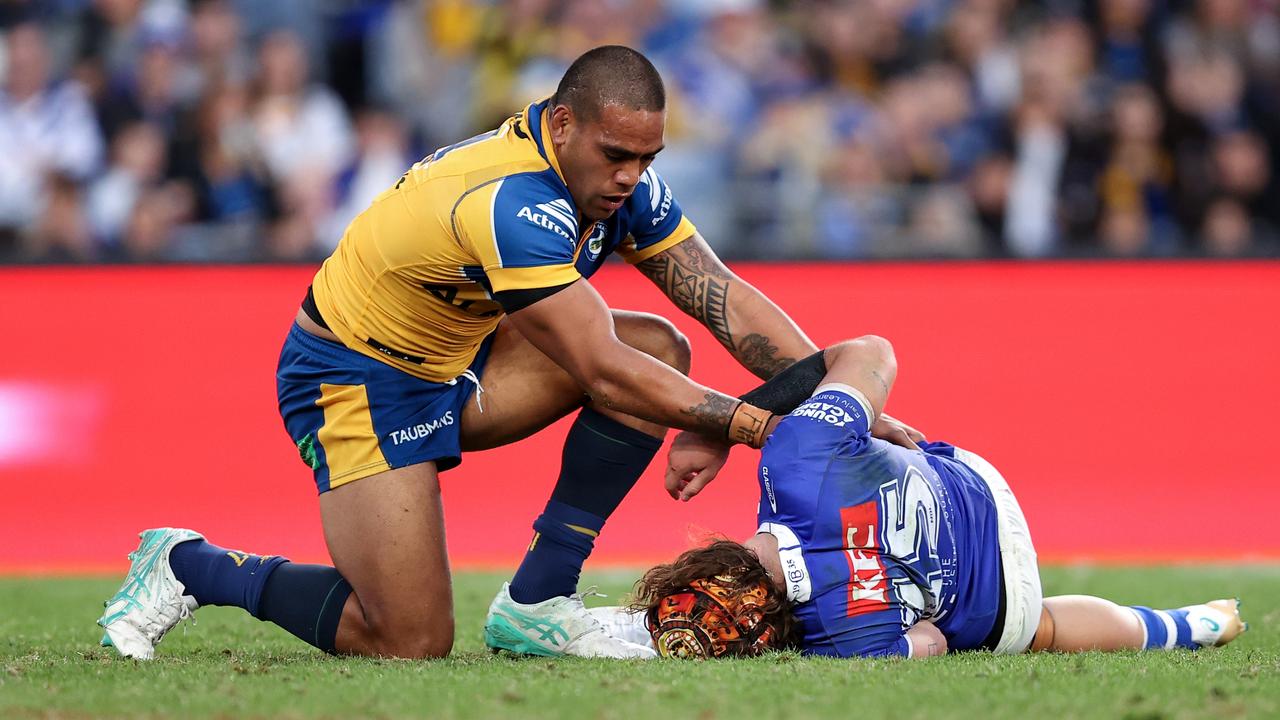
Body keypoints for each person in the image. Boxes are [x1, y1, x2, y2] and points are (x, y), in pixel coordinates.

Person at [96, 45, 923, 661]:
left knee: (657, 342)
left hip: (458, 367)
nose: (633, 177)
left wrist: (834, 404)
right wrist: (753, 426)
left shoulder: (603, 177)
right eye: (617, 155)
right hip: (353, 379)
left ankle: (539, 601)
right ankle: (191, 565)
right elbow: (596, 365)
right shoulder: (511, 200)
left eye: (648, 159)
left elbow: (726, 299)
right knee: (408, 639)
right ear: (562, 125)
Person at [595, 335, 1246, 659]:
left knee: (1040, 629)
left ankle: (1192, 625)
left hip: (990, 594)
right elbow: (870, 349)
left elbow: (928, 642)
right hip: (967, 483)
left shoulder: (844, 637)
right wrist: (724, 429)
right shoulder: (796, 460)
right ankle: (1193, 622)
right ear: (713, 555)